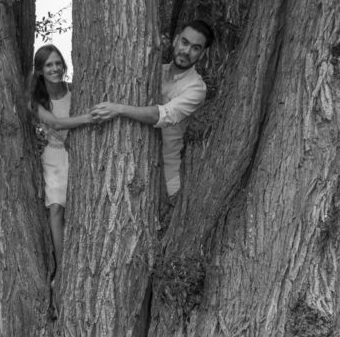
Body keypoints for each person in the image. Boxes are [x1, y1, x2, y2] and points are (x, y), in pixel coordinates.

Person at [90, 20, 214, 198]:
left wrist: (118, 109)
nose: (186, 51)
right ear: (175, 40)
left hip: (168, 174)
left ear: (202, 54)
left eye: (195, 48)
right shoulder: (154, 71)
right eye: (184, 42)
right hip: (130, 165)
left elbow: (163, 116)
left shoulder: (196, 87)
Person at [29, 44, 95, 275]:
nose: (55, 68)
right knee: (56, 207)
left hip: (81, 154)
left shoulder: (76, 90)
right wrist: (86, 118)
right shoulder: (38, 102)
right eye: (49, 65)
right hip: (55, 156)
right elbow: (56, 124)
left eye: (58, 63)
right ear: (40, 71)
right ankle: (63, 265)